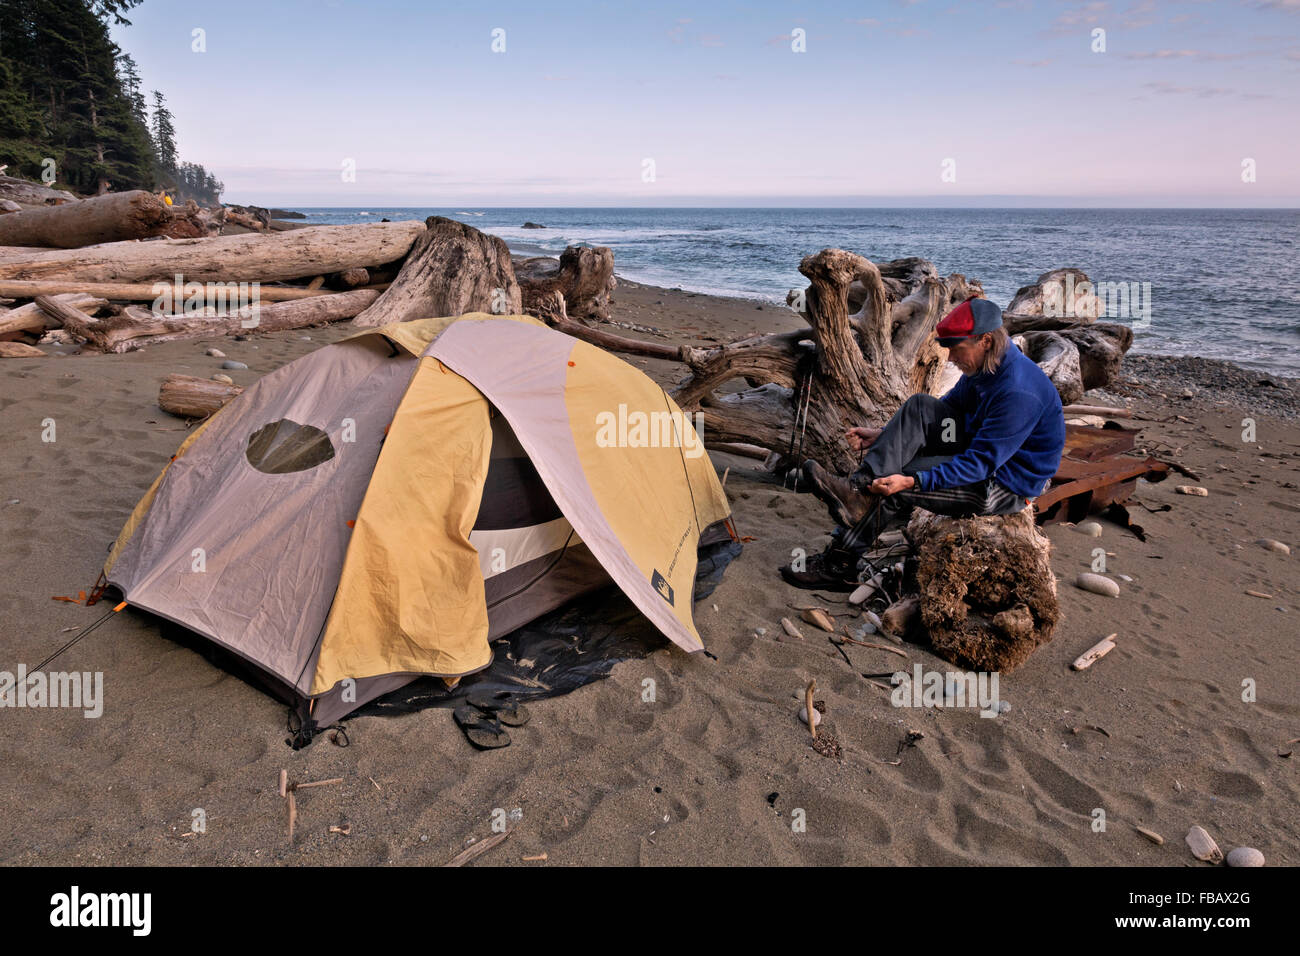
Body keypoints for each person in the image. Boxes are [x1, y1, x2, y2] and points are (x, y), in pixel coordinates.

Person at [780, 296, 1066, 591]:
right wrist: (885, 435)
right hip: (977, 451)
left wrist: (913, 480)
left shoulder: (1018, 392)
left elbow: (981, 463)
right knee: (919, 407)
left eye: (956, 349)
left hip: (1004, 483)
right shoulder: (984, 367)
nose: (951, 358)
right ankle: (857, 491)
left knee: (896, 487)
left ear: (986, 340)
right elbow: (943, 413)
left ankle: (839, 565)